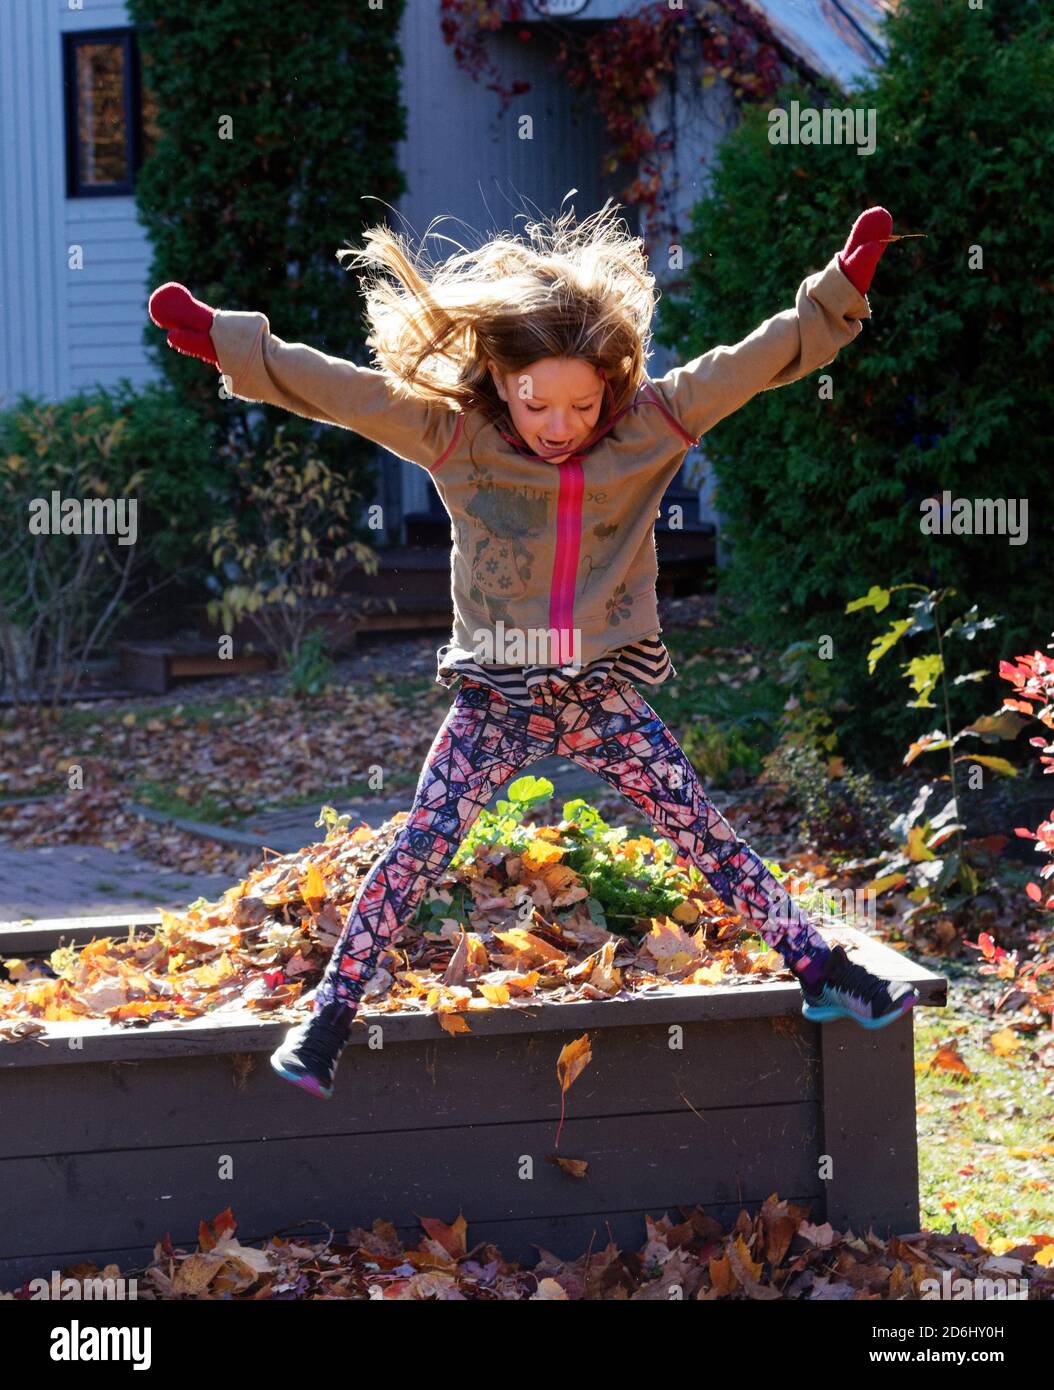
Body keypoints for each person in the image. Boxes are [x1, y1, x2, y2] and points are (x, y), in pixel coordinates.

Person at [149, 201, 917, 1101]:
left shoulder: (649, 428)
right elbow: (342, 390)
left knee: (704, 831)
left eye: (583, 404)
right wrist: (225, 343)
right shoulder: (456, 438)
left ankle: (818, 968)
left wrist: (839, 292)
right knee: (422, 845)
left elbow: (756, 359)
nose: (560, 425)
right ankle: (328, 1016)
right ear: (500, 381)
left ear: (612, 385)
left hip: (601, 691)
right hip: (498, 695)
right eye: (537, 402)